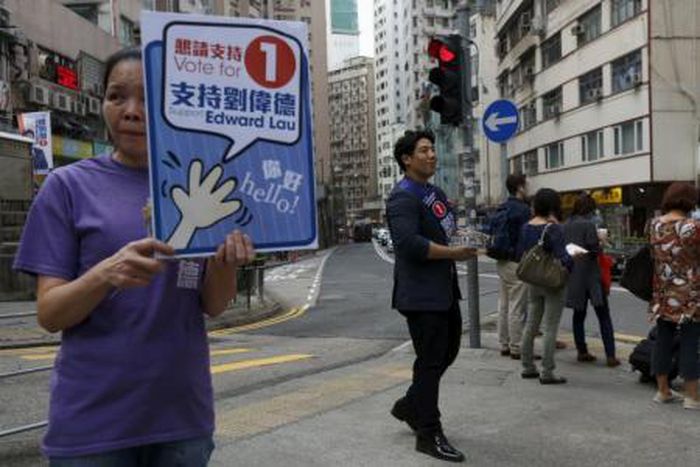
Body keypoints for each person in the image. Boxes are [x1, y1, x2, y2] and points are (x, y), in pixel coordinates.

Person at [13, 47, 256, 465]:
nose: (131, 111)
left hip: (182, 420)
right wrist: (107, 273)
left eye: (148, 99)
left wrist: (225, 262)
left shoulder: (205, 185)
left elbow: (213, 306)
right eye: (117, 96)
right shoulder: (66, 187)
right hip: (92, 426)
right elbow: (50, 314)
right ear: (103, 104)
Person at [386, 129, 476, 463]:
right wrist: (454, 254)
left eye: (433, 149)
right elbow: (408, 244)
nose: (432, 155)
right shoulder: (402, 197)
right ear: (407, 159)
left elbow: (449, 231)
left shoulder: (434, 192)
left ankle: (411, 405)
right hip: (421, 296)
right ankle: (428, 432)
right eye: (424, 150)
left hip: (444, 291)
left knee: (447, 353)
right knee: (430, 361)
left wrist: (471, 240)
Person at [516, 188, 575, 385]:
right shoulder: (553, 228)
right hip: (552, 282)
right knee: (550, 327)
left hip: (533, 280)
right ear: (552, 206)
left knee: (531, 323)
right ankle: (547, 371)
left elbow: (520, 252)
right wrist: (573, 259)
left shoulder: (526, 227)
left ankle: (527, 366)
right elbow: (563, 256)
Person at [649, 182, 700, 410]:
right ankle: (692, 397)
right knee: (691, 341)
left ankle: (663, 391)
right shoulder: (692, 226)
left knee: (663, 339)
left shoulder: (654, 223)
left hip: (662, 291)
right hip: (690, 293)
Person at [563, 193, 620, 367]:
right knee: (603, 315)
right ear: (589, 209)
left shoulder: (567, 224)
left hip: (574, 275)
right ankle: (610, 355)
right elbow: (594, 250)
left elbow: (568, 248)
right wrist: (601, 242)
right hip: (591, 276)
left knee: (578, 315)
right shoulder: (588, 224)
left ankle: (582, 351)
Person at [493, 174, 531, 359]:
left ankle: (504, 344)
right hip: (517, 262)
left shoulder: (502, 207)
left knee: (504, 305)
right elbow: (528, 237)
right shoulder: (523, 210)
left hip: (501, 260)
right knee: (517, 306)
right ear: (520, 187)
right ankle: (516, 347)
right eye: (526, 185)